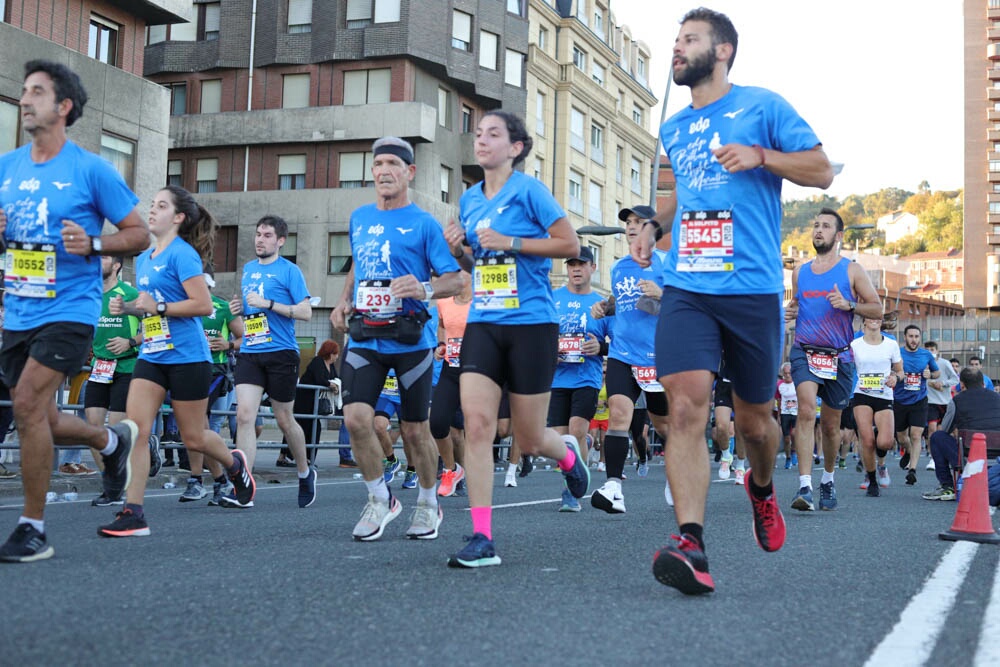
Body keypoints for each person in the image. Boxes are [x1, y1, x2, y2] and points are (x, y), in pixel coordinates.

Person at [632, 8, 835, 594]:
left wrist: (762, 156)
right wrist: (652, 224)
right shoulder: (673, 128)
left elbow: (821, 170)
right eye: (675, 39)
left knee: (755, 423)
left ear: (722, 51)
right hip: (689, 286)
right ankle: (690, 542)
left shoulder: (763, 106)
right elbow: (682, 197)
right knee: (688, 407)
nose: (677, 48)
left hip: (751, 289)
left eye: (689, 39)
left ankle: (763, 488)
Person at [0, 60, 151, 562]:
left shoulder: (90, 169)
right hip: (18, 309)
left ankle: (32, 528)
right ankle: (110, 442)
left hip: (70, 309)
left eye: (37, 92)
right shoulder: (9, 166)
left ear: (63, 107)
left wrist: (92, 243)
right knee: (40, 415)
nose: (25, 100)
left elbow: (138, 233)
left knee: (25, 404)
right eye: (24, 92)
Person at [443, 110, 589, 567]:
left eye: (493, 134)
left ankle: (565, 454)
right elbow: (476, 265)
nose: (481, 140)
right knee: (479, 424)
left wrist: (512, 242)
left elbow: (570, 245)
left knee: (528, 439)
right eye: (479, 133)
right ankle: (482, 537)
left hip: (531, 324)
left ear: (516, 148)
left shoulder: (529, 191)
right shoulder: (468, 199)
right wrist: (459, 252)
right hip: (484, 321)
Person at [96, 186, 256, 537]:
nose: (151, 211)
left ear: (179, 217)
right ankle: (133, 512)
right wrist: (130, 307)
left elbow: (201, 305)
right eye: (152, 205)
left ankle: (234, 465)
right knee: (136, 431)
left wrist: (159, 307)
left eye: (161, 206)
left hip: (188, 358)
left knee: (194, 437)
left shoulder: (184, 255)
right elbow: (151, 304)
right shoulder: (150, 255)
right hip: (152, 355)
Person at [332, 136, 462, 541]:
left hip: (412, 341)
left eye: (392, 163)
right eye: (377, 164)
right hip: (366, 335)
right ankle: (379, 499)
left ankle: (427, 503)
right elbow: (358, 263)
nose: (383, 171)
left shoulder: (424, 223)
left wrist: (422, 288)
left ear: (410, 172)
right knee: (356, 419)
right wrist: (342, 300)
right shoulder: (359, 217)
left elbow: (455, 279)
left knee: (412, 431)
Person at [785, 208, 881, 511]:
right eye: (816, 225)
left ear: (838, 236)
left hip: (839, 357)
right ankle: (804, 487)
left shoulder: (852, 270)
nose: (818, 230)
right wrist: (791, 311)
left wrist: (849, 304)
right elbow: (799, 306)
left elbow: (877, 309)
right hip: (804, 350)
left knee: (830, 426)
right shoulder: (800, 271)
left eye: (825, 226)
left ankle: (827, 479)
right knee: (804, 409)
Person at [225, 215, 315, 509]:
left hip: (281, 353)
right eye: (258, 234)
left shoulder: (290, 271)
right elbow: (250, 312)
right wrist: (238, 309)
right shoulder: (249, 270)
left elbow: (306, 313)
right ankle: (244, 486)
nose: (259, 240)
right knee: (244, 416)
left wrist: (270, 305)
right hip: (251, 351)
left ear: (280, 241)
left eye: (266, 235)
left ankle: (304, 471)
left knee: (284, 419)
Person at [591, 206, 668, 515]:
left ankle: (677, 477)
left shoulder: (667, 264)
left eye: (639, 222)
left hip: (659, 357)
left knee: (665, 426)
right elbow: (623, 303)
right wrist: (605, 308)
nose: (632, 227)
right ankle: (613, 487)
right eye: (629, 223)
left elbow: (687, 306)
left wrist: (663, 293)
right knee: (619, 413)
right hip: (623, 352)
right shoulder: (619, 267)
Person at [549, 246, 610, 511]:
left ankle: (571, 492)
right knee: (558, 442)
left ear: (592, 268)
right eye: (571, 264)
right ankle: (581, 447)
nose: (575, 269)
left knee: (574, 432)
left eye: (581, 264)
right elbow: (539, 335)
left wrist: (601, 348)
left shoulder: (601, 304)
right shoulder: (552, 298)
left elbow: (618, 343)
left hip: (587, 378)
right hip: (557, 378)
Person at [180, 270, 242, 505]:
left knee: (198, 423)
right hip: (184, 368)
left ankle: (212, 478)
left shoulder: (222, 307)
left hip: (214, 369)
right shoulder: (181, 305)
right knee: (192, 427)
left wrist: (228, 344)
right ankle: (207, 480)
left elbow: (246, 337)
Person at [85, 255, 142, 503]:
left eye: (105, 258)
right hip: (99, 367)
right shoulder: (91, 292)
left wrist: (129, 341)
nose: (98, 261)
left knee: (117, 432)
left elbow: (155, 325)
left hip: (127, 367)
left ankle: (117, 488)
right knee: (93, 432)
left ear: (117, 265)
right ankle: (111, 483)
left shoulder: (129, 293)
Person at [923, 368, 1000, 500]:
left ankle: (947, 486)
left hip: (969, 457)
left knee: (937, 437)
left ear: (962, 384)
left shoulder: (957, 401)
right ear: (983, 383)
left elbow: (946, 428)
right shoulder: (997, 398)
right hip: (997, 458)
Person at [850, 315, 903, 497]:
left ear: (881, 321)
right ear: (864, 321)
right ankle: (872, 480)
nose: (874, 320)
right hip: (862, 394)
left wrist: (895, 377)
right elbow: (845, 366)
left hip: (884, 395)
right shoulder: (855, 344)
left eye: (877, 317)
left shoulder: (891, 344)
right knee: (867, 440)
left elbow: (900, 370)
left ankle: (881, 465)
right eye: (870, 317)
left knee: (885, 442)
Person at [432, 270, 472, 498]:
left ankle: (470, 476)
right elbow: (442, 325)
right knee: (437, 423)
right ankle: (451, 469)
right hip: (451, 368)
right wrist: (441, 344)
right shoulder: (443, 301)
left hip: (477, 371)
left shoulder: (482, 302)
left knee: (469, 430)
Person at [892, 325, 939, 486]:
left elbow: (937, 372)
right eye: (911, 336)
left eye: (917, 337)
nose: (914, 340)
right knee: (901, 437)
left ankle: (912, 470)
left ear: (920, 338)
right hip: (899, 400)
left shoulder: (926, 354)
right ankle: (908, 451)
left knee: (916, 435)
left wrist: (930, 374)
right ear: (905, 337)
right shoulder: (897, 353)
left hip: (919, 400)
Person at [287, 340, 339, 468]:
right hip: (304, 399)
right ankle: (294, 457)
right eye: (336, 353)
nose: (337, 356)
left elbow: (335, 377)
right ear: (331, 353)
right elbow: (319, 379)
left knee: (310, 428)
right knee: (302, 427)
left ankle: (307, 459)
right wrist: (329, 384)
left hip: (315, 401)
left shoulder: (330, 365)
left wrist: (335, 384)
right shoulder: (317, 361)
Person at [923, 340, 959, 470]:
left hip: (945, 401)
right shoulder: (922, 364)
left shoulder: (944, 363)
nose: (930, 352)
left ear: (937, 351)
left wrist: (943, 383)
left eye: (932, 350)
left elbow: (955, 379)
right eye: (927, 350)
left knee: (947, 431)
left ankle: (951, 456)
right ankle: (933, 458)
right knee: (932, 429)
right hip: (930, 401)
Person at [776, 362, 797, 469]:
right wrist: (779, 415)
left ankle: (794, 452)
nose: (787, 375)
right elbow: (778, 400)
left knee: (794, 434)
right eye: (785, 373)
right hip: (785, 413)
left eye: (789, 373)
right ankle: (788, 457)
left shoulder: (797, 383)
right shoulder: (780, 385)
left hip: (796, 413)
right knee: (787, 438)